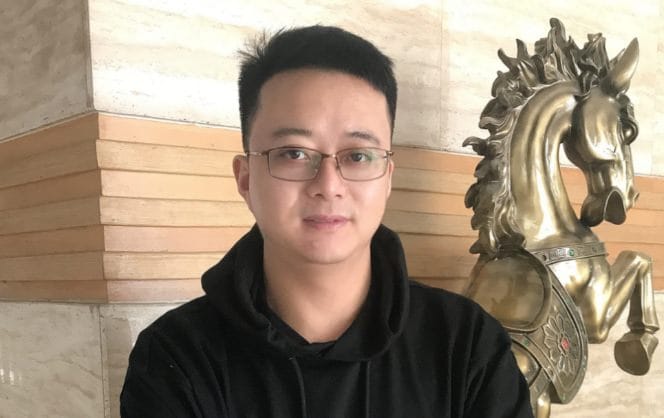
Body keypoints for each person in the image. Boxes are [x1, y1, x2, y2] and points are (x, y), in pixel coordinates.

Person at [120, 25, 533, 418]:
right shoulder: (176, 359)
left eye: (358, 156)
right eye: (294, 153)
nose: (329, 185)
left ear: (388, 178)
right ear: (245, 179)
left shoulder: (466, 345)